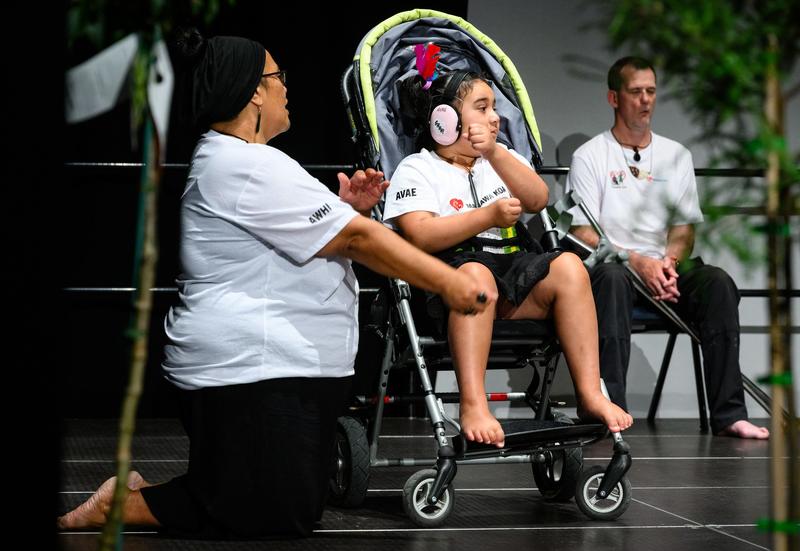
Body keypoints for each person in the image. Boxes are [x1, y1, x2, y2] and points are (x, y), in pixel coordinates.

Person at [57, 30, 498, 539]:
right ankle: (122, 506)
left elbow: (331, 231)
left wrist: (348, 208)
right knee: (270, 513)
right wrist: (447, 281)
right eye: (277, 77)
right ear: (252, 93)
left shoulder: (253, 162)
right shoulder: (241, 164)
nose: (287, 87)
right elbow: (356, 240)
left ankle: (158, 497)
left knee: (293, 507)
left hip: (282, 370)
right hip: (252, 370)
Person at [382, 69, 633, 449]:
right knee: (476, 277)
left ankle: (590, 394)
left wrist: (495, 151)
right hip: (451, 279)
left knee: (568, 265)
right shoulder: (418, 168)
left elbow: (538, 200)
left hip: (512, 276)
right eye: (482, 108)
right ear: (444, 119)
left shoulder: (501, 159)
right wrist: (487, 217)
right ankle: (473, 404)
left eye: (494, 107)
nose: (495, 117)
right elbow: (420, 234)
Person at [565, 56, 769, 440]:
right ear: (614, 97)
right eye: (635, 92)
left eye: (651, 92)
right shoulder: (590, 156)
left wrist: (669, 263)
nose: (645, 101)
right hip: (619, 268)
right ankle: (611, 412)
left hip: (666, 272)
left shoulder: (676, 155)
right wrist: (638, 261)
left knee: (717, 283)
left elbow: (683, 227)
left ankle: (729, 415)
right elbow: (582, 233)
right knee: (609, 278)